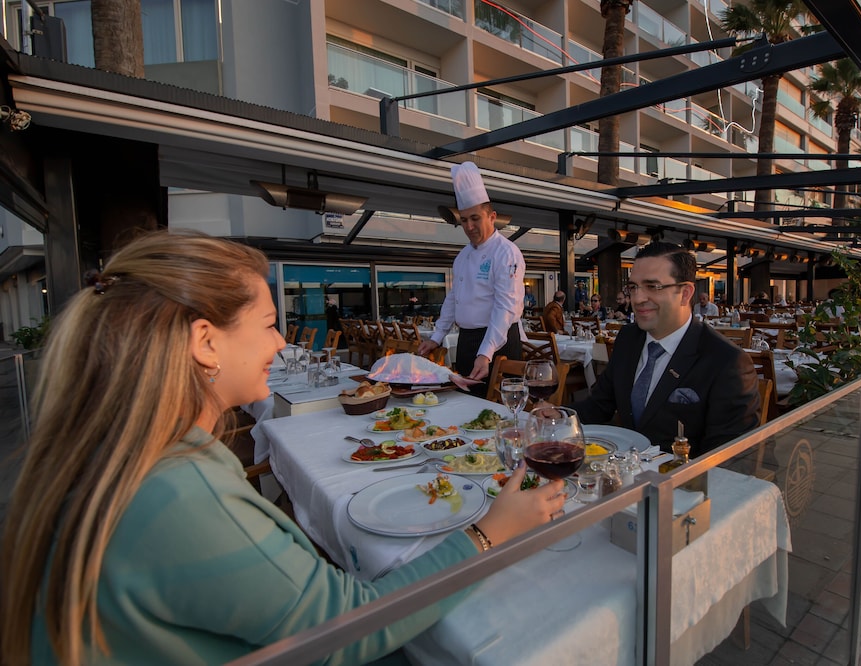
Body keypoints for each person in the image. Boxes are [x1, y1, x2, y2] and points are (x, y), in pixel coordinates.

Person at [0, 230, 564, 666]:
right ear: (205, 342)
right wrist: (487, 533)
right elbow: (347, 627)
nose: (279, 342)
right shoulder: (177, 491)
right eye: (270, 324)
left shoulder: (126, 452)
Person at [570, 242, 760, 458]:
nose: (638, 298)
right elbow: (598, 405)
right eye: (633, 287)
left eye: (653, 287)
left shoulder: (727, 362)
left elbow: (730, 459)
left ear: (685, 293)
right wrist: (558, 417)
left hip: (685, 477)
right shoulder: (628, 339)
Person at [418, 162, 525, 394]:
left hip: (499, 342)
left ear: (492, 217)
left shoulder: (506, 252)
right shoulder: (463, 256)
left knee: (501, 408)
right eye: (464, 220)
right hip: (467, 340)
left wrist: (485, 353)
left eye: (475, 218)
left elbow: (505, 307)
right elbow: (453, 298)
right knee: (466, 404)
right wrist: (437, 337)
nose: (469, 226)